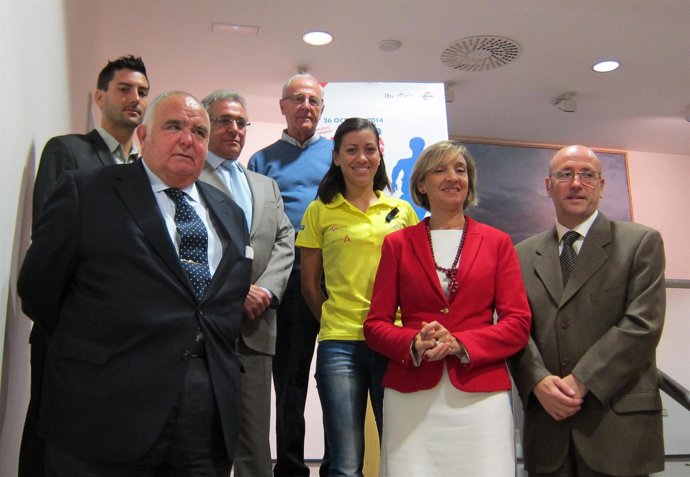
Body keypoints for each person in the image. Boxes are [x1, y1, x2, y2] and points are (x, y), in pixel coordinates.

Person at [18, 91, 252, 476]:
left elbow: (222, 304)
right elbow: (39, 291)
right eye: (173, 126)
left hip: (204, 413)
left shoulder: (229, 211)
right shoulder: (87, 192)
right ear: (144, 135)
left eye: (198, 131)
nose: (187, 138)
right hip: (105, 408)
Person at [363, 140, 531, 477]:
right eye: (440, 169)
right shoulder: (398, 243)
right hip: (411, 395)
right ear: (421, 184)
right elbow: (376, 324)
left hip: (481, 395)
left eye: (460, 170)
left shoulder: (497, 242)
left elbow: (517, 323)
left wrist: (462, 343)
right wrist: (413, 342)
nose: (453, 177)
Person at [21, 54, 150, 477]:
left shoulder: (142, 173)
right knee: (48, 434)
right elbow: (50, 243)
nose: (135, 98)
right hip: (68, 331)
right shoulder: (69, 151)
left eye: (143, 92)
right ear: (99, 97)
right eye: (125, 89)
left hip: (121, 338)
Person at [511, 145, 666, 477]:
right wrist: (537, 381)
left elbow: (642, 325)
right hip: (548, 430)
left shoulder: (641, 243)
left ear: (602, 185)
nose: (576, 183)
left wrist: (581, 382)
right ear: (549, 185)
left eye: (587, 175)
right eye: (565, 174)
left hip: (617, 430)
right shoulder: (521, 254)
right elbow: (515, 328)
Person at [297, 118, 419, 477]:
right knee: (346, 463)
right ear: (336, 157)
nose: (361, 157)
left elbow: (416, 283)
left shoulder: (403, 212)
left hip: (394, 344)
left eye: (369, 149)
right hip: (340, 346)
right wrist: (335, 323)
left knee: (398, 453)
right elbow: (309, 284)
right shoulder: (319, 211)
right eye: (351, 150)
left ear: (380, 155)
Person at [199, 89, 294, 477]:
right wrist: (237, 292)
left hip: (258, 327)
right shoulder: (188, 175)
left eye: (241, 122)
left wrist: (266, 290)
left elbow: (285, 241)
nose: (235, 129)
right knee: (202, 439)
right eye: (224, 121)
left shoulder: (265, 185)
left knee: (255, 443)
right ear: (206, 125)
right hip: (206, 330)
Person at [248, 73, 332, 477]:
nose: (306, 107)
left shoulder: (339, 156)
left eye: (314, 100)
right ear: (282, 106)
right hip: (290, 282)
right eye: (297, 99)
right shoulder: (261, 161)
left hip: (339, 284)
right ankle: (293, 469)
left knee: (336, 379)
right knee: (290, 381)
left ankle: (337, 465)